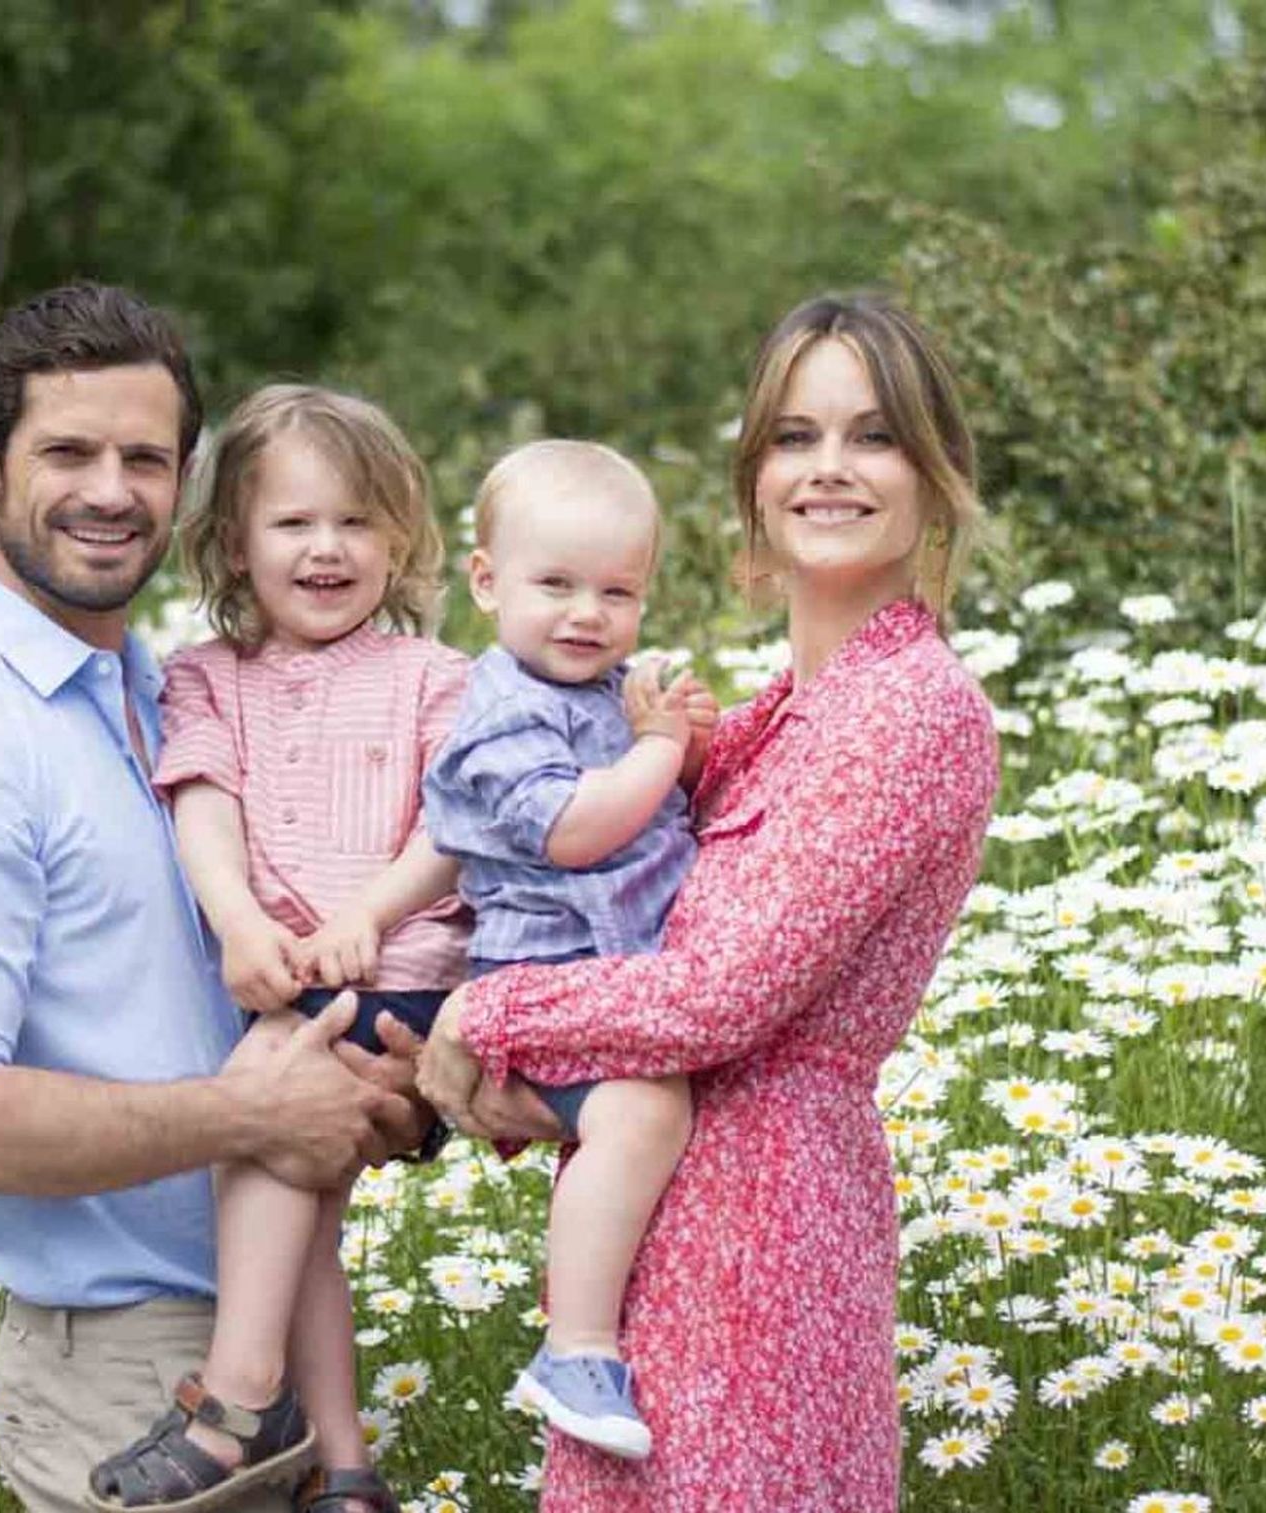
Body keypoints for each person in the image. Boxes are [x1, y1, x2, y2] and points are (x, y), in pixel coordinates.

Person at [0, 285, 424, 1513]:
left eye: (145, 458)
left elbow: (274, 1034)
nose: (110, 489)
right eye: (67, 451)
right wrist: (245, 1115)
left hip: (284, 1330)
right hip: (124, 1377)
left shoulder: (185, 695)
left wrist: (379, 1099)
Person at [418, 293, 1000, 1510]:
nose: (827, 468)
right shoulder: (780, 712)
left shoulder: (911, 708)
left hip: (763, 1245)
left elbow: (715, 995)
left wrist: (484, 1016)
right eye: (793, 436)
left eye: (872, 434)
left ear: (935, 473)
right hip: (665, 1238)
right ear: (752, 475)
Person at [82, 384, 472, 1513]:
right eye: (293, 522)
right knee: (297, 1209)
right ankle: (344, 1465)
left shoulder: (435, 680)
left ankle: (240, 1401)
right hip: (290, 979)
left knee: (256, 1112)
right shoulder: (210, 676)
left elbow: (458, 824)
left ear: (398, 537)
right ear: (233, 542)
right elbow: (204, 802)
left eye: (355, 521)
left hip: (398, 979)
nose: (326, 547)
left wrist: (372, 913)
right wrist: (241, 925)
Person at [421, 440, 715, 1460]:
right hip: (540, 980)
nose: (586, 613)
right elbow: (575, 830)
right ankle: (577, 1347)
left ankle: (597, 1336)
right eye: (555, 585)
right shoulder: (500, 712)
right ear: (487, 582)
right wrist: (660, 751)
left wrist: (687, 735)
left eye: (617, 590)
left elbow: (660, 795)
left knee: (650, 1114)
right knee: (641, 1111)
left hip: (613, 969)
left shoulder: (608, 689)